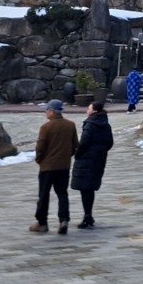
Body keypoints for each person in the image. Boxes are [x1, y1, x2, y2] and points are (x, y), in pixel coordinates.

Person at [32, 99, 77, 235]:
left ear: (51, 111)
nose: (46, 113)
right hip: (63, 166)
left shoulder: (46, 127)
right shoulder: (70, 125)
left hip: (47, 167)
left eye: (47, 110)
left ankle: (42, 222)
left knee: (44, 195)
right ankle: (63, 220)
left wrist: (40, 160)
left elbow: (40, 147)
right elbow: (75, 144)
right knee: (62, 194)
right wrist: (66, 157)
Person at [71, 100, 114, 229]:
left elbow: (83, 142)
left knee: (85, 189)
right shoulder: (106, 124)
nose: (87, 111)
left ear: (94, 110)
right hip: (99, 159)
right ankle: (88, 214)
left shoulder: (90, 124)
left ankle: (87, 216)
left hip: (86, 160)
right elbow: (110, 143)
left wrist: (77, 154)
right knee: (90, 188)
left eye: (89, 109)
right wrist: (100, 151)